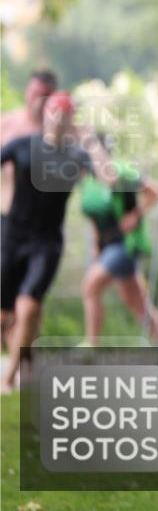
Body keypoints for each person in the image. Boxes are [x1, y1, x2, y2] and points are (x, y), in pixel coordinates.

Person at [0, 92, 111, 392]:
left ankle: (9, 379)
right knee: (4, 314)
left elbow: (109, 178)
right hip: (12, 238)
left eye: (64, 114)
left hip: (46, 243)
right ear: (46, 115)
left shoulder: (76, 155)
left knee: (28, 308)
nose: (58, 119)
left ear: (71, 119)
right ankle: (22, 360)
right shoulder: (23, 145)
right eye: (54, 112)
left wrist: (91, 142)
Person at [79, 134, 158, 346]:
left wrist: (135, 215)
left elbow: (154, 192)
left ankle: (91, 346)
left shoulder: (121, 171)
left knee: (90, 287)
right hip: (107, 246)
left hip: (126, 244)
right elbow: (93, 216)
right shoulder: (87, 180)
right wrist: (96, 245)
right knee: (137, 302)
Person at [0, 71, 58, 353]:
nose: (38, 100)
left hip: (41, 228)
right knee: (4, 300)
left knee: (31, 300)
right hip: (6, 219)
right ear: (27, 92)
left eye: (45, 96)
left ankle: (22, 359)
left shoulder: (59, 134)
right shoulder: (8, 125)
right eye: (35, 93)